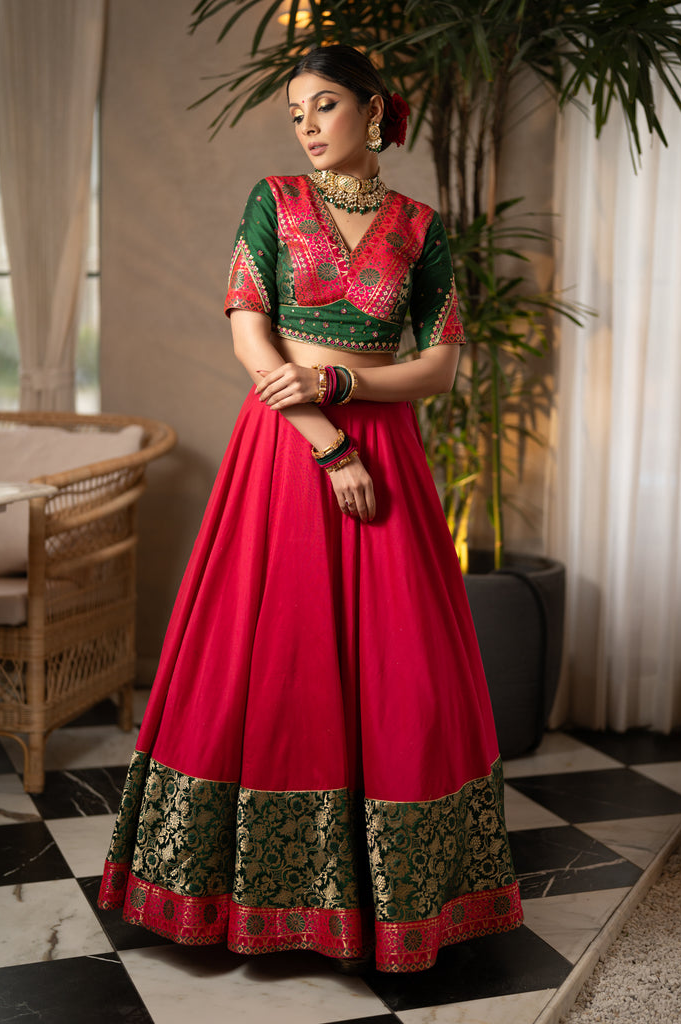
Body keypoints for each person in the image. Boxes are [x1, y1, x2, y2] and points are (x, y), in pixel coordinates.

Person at [99, 43, 522, 974]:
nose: (307, 126)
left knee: (400, 668)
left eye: (324, 106)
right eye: (296, 112)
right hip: (288, 452)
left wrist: (338, 379)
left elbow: (439, 369)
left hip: (389, 456)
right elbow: (253, 331)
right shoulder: (275, 202)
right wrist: (329, 442)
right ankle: (250, 898)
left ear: (374, 113)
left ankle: (393, 904)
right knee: (274, 657)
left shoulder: (420, 225)